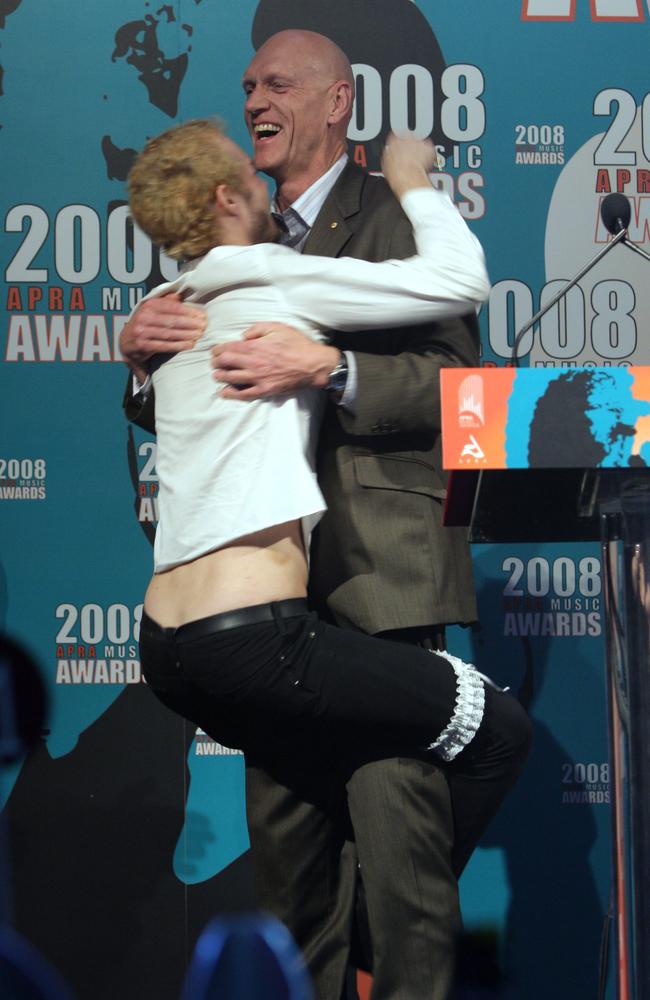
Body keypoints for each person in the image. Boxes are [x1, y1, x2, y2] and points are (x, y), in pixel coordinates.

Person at [120, 30, 525, 1000]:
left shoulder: (387, 216)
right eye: (247, 82)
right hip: (266, 617)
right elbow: (171, 401)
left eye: (278, 83)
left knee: (402, 879)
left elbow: (457, 381)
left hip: (376, 578)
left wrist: (331, 368)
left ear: (338, 102)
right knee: (293, 887)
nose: (256, 97)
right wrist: (138, 360)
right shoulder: (223, 247)